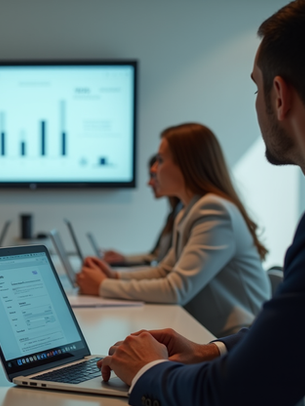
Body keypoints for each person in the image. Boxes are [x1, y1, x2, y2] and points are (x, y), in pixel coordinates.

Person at [98, 1, 305, 406]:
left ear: (279, 95)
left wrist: (149, 371)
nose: (256, 101)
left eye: (256, 88)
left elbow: (232, 400)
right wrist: (212, 349)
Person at [77, 123, 270, 337]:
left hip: (242, 338)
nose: (153, 169)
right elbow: (165, 270)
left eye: (160, 160)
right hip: (216, 333)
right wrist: (113, 276)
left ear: (186, 164)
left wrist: (103, 286)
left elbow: (175, 289)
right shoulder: (188, 210)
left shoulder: (213, 210)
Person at [102, 154, 182, 266]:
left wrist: (112, 279)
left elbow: (165, 269)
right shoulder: (174, 214)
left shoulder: (187, 213)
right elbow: (155, 257)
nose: (149, 183)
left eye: (154, 175)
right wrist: (124, 259)